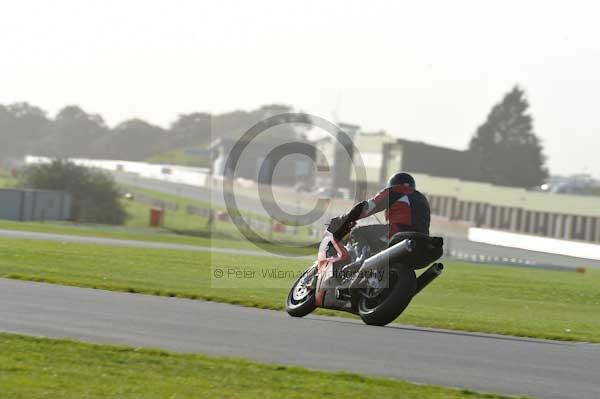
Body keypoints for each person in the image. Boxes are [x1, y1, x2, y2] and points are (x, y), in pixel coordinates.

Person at [328, 172, 431, 242]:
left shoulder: (395, 191)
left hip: (399, 235)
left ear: (392, 185)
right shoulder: (422, 198)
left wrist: (342, 219)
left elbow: (366, 208)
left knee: (357, 232)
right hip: (423, 241)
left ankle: (360, 268)